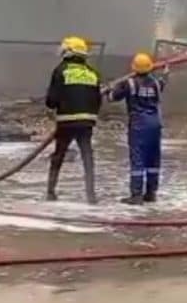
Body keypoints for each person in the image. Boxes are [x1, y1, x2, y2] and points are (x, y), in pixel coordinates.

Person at [45, 36, 100, 205]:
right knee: (87, 156)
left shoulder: (61, 70)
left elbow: (51, 99)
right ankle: (91, 194)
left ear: (67, 51)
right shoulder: (92, 72)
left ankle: (51, 192)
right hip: (87, 121)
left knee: (59, 155)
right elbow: (98, 100)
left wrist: (52, 109)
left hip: (66, 120)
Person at [107, 52, 167, 205]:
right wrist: (166, 72)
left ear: (134, 67)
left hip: (139, 125)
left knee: (138, 159)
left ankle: (136, 195)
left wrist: (110, 88)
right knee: (153, 159)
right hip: (155, 124)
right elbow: (163, 82)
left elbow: (112, 98)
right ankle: (151, 193)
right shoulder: (155, 83)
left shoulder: (129, 83)